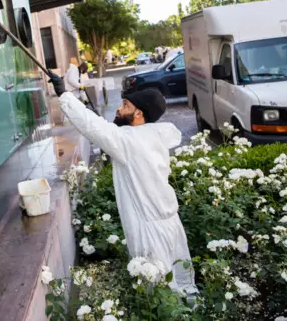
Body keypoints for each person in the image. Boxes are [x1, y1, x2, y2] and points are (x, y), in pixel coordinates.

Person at [49, 73, 195, 291]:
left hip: (150, 233)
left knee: (159, 294)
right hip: (171, 225)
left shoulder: (129, 141)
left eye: (125, 105)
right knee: (183, 287)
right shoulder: (150, 136)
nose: (119, 109)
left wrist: (64, 94)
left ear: (138, 113)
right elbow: (103, 128)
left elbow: (93, 127)